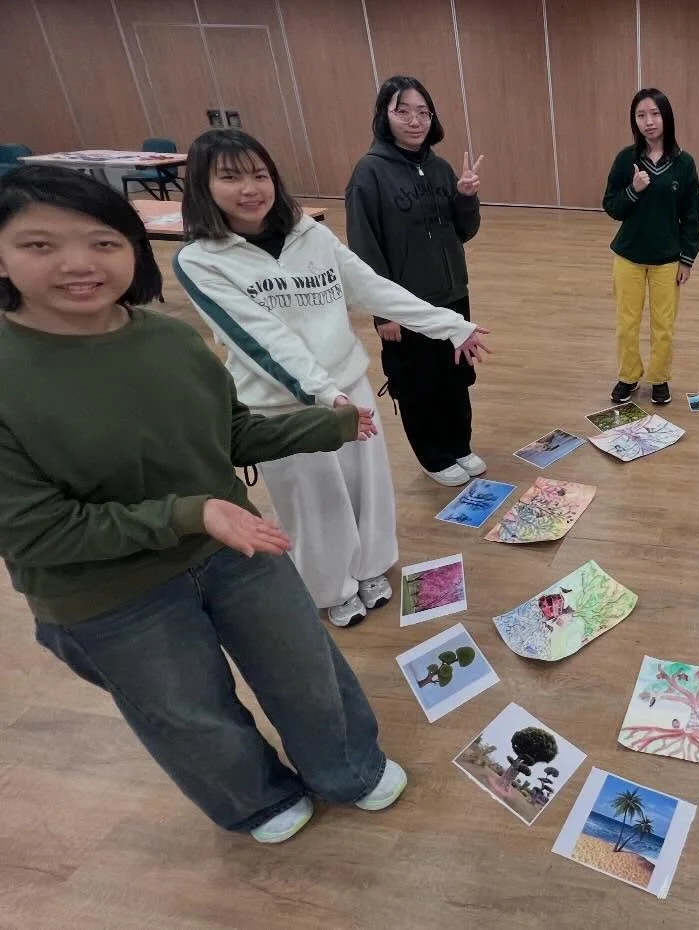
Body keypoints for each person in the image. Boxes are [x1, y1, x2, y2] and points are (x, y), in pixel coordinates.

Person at [0, 166, 409, 845]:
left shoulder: (168, 339)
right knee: (188, 710)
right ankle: (254, 801)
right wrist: (191, 514)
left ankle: (347, 768)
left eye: (102, 242)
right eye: (40, 245)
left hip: (233, 544)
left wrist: (330, 423)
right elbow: (35, 532)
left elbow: (227, 431)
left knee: (306, 667)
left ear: (131, 248)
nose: (78, 264)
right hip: (106, 593)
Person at [174, 130, 489, 627]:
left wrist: (452, 326)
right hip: (284, 408)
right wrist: (327, 396)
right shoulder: (199, 260)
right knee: (316, 503)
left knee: (368, 489)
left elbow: (372, 288)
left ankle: (369, 568)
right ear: (202, 185)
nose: (250, 188)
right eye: (230, 177)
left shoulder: (310, 233)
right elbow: (261, 341)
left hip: (348, 384)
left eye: (259, 174)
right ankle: (331, 587)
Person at [345, 74, 485, 487]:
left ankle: (459, 445)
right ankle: (433, 455)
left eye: (423, 112)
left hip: (451, 296)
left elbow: (464, 231)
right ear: (384, 116)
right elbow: (364, 250)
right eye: (402, 111)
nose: (414, 120)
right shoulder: (369, 174)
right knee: (418, 384)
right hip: (404, 307)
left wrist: (464, 195)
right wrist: (382, 314)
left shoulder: (441, 168)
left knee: (456, 377)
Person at [602, 87, 699, 406]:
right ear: (635, 120)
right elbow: (611, 206)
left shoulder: (684, 163)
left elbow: (690, 215)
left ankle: (659, 379)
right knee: (626, 325)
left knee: (664, 326)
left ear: (666, 117)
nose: (649, 121)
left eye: (655, 114)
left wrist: (687, 259)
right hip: (628, 256)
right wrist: (633, 188)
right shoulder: (625, 159)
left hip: (667, 259)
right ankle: (628, 376)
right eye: (641, 115)